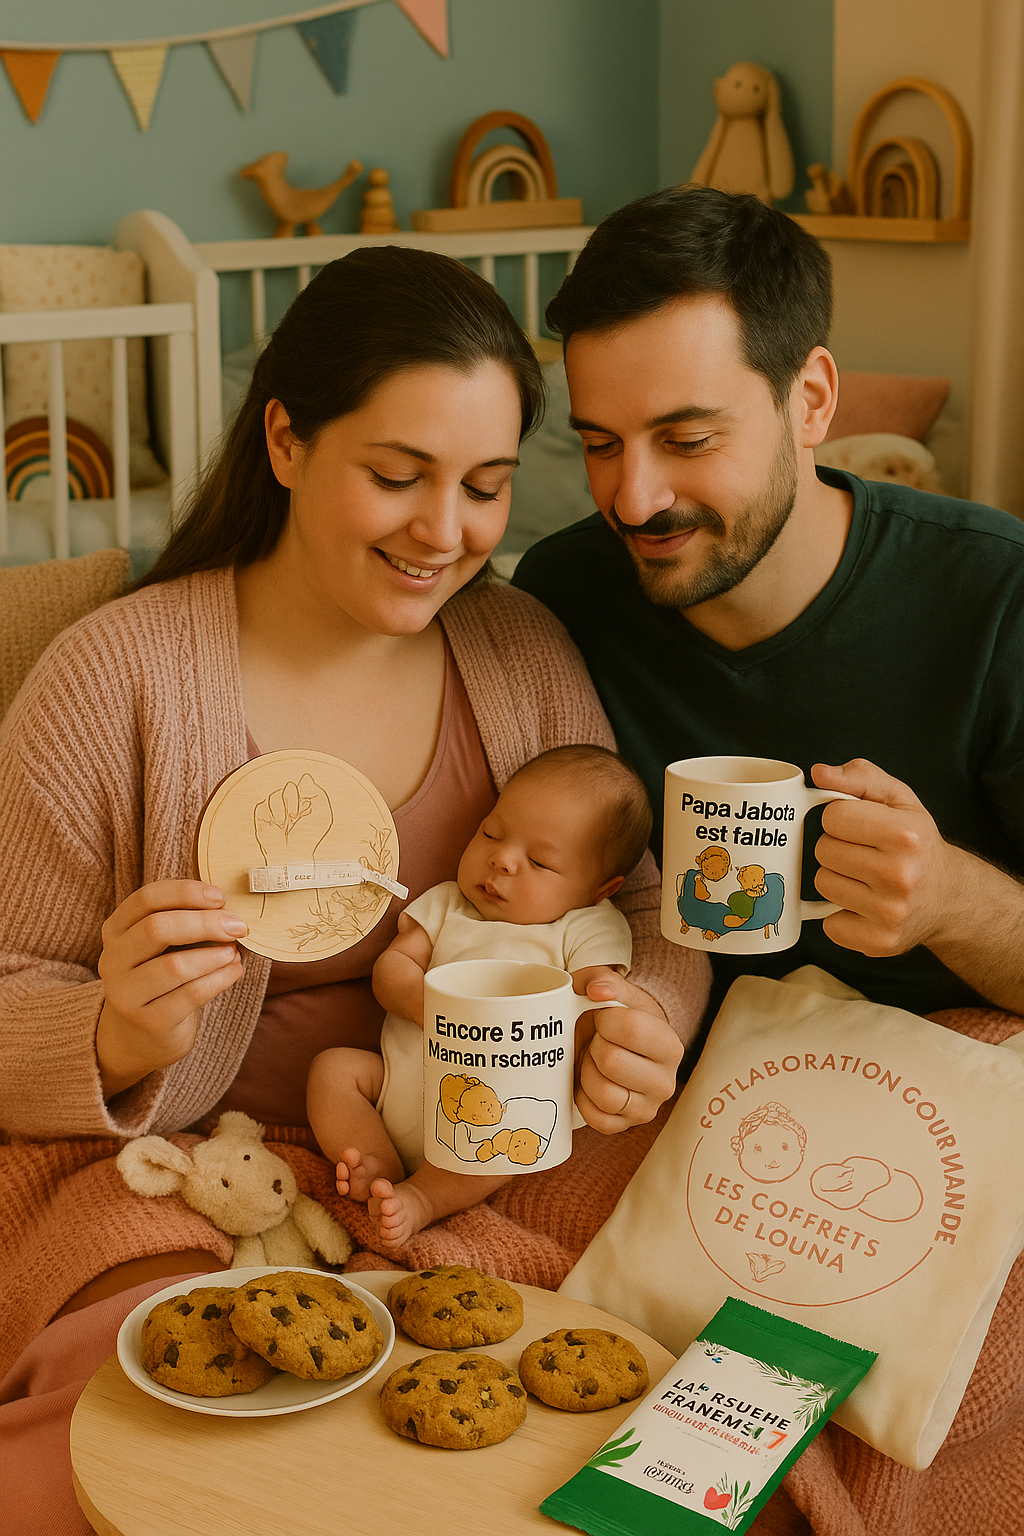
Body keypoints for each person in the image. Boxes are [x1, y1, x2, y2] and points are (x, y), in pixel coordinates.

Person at [0, 245, 709, 1534]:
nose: (446, 534)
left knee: (679, 1404)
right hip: (194, 1163)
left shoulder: (517, 647)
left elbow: (647, 908)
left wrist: (641, 1017)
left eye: (487, 488)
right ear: (283, 439)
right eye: (397, 476)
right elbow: (7, 991)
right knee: (132, 1450)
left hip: (489, 1145)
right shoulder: (114, 679)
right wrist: (108, 1033)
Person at [513, 184, 1024, 1022]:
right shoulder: (561, 595)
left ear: (813, 400)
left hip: (941, 1073)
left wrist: (954, 899)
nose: (634, 500)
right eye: (601, 444)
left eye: (688, 440)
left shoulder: (997, 594)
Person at [307, 743, 651, 1249]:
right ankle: (374, 1159)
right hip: (395, 1084)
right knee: (333, 1069)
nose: (502, 859)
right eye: (491, 832)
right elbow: (393, 969)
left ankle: (422, 1198)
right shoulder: (449, 903)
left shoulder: (585, 927)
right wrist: (437, 1011)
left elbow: (594, 1000)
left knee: (508, 1150)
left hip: (497, 1108)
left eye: (539, 861)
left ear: (600, 888)